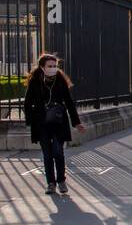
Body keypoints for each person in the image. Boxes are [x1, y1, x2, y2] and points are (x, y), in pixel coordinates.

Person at [22, 54, 85, 195]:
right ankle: (50, 183)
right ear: (42, 67)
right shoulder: (35, 81)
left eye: (54, 66)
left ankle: (61, 181)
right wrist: (30, 120)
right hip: (42, 122)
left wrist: (76, 123)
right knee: (47, 154)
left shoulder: (60, 80)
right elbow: (27, 103)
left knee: (58, 152)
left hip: (58, 121)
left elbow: (69, 102)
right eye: (49, 66)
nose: (52, 68)